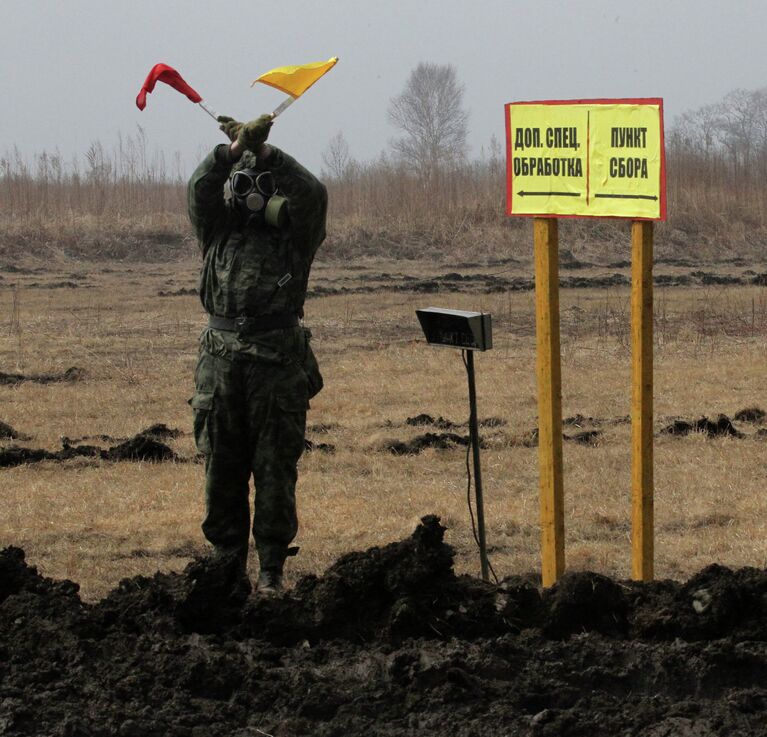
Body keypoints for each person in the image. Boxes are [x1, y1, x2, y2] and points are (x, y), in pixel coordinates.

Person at [187, 114, 327, 594]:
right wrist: (229, 152)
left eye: (257, 181)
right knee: (221, 467)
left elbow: (313, 195)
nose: (248, 190)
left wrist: (269, 155)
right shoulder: (215, 232)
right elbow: (198, 190)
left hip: (276, 361)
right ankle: (226, 567)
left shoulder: (294, 236)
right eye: (239, 181)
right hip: (221, 362)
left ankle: (271, 570)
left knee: (274, 469)